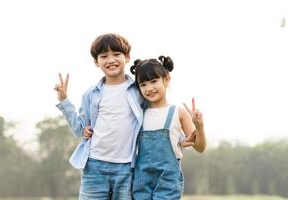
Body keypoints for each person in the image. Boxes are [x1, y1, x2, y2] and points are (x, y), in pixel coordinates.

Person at [54, 33, 144, 200]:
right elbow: (81, 129)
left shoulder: (138, 91)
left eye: (116, 54)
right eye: (104, 56)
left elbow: (153, 117)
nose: (111, 60)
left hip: (127, 167)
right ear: (96, 62)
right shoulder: (92, 94)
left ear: (127, 57)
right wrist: (64, 100)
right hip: (94, 164)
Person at [129, 56, 206, 200]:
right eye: (143, 84)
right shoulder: (138, 113)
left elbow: (200, 147)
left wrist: (199, 126)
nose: (149, 88)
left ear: (166, 79)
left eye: (154, 81)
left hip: (168, 181)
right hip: (141, 181)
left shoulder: (178, 112)